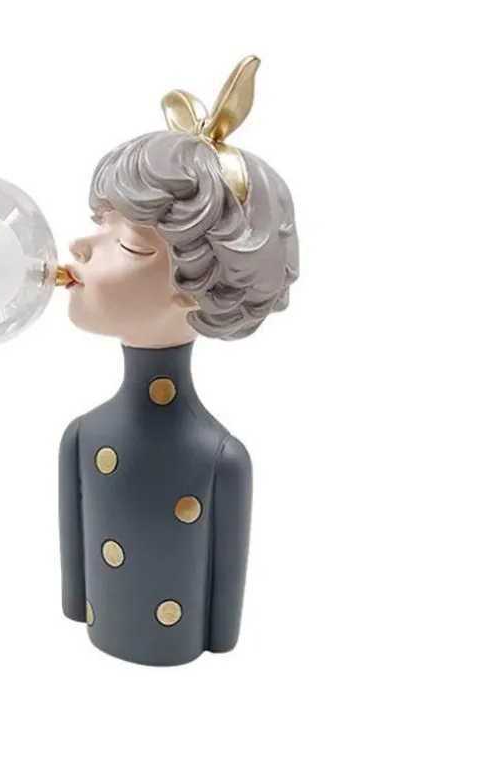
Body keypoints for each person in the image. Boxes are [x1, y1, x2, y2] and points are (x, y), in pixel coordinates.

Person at [58, 57, 298, 665]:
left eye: (128, 242)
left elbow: (223, 617)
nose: (80, 245)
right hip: (98, 648)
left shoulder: (220, 459)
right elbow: (74, 591)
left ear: (199, 286)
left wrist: (219, 640)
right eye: (99, 223)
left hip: (181, 663)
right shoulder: (81, 437)